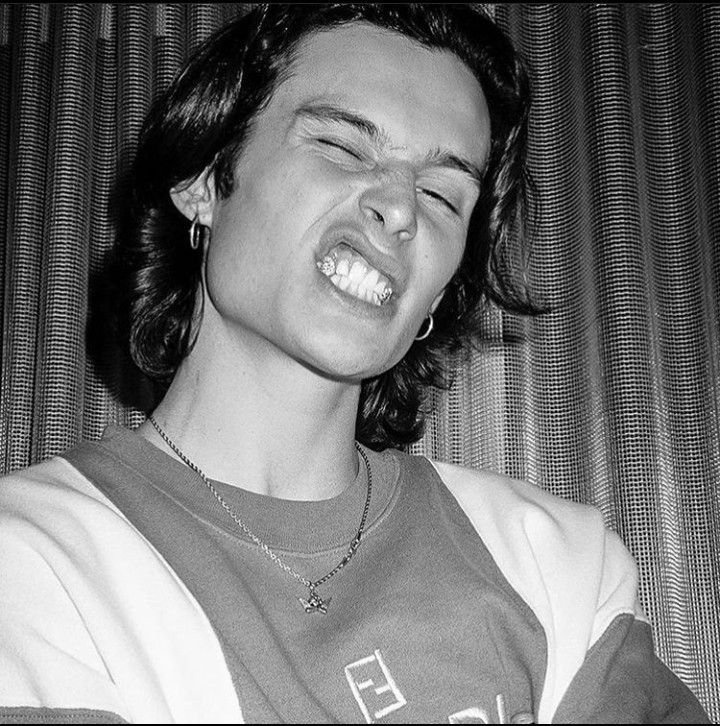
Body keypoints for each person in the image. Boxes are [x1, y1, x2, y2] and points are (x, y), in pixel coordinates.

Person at [0, 4, 710, 724]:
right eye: (343, 147)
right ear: (207, 182)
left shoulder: (559, 566)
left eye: (442, 194)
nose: (400, 208)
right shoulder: (31, 565)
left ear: (440, 290)